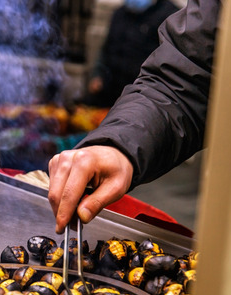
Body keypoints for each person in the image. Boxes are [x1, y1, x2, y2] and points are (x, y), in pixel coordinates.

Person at [48, 0, 219, 235]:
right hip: (120, 101)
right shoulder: (120, 15)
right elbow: (185, 80)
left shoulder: (167, 12)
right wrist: (118, 143)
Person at [84, 0, 179, 108]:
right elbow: (106, 49)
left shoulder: (170, 17)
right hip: (111, 92)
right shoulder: (119, 14)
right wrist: (97, 75)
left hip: (144, 98)